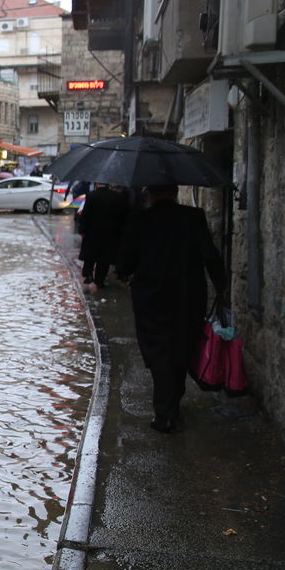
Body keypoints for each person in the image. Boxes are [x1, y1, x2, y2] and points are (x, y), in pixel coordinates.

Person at [116, 185, 227, 433]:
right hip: (188, 296)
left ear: (150, 194)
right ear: (175, 192)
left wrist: (125, 271)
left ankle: (165, 413)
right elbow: (210, 255)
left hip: (151, 298)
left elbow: (124, 262)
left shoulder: (140, 220)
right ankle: (172, 401)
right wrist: (221, 285)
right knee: (182, 346)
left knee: (158, 351)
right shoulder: (194, 217)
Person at [76, 183, 130, 290]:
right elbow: (122, 216)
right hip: (110, 233)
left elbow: (86, 214)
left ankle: (88, 274)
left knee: (90, 254)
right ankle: (99, 281)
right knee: (104, 258)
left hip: (92, 232)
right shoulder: (117, 197)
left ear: (97, 184)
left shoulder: (91, 195)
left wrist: (82, 229)